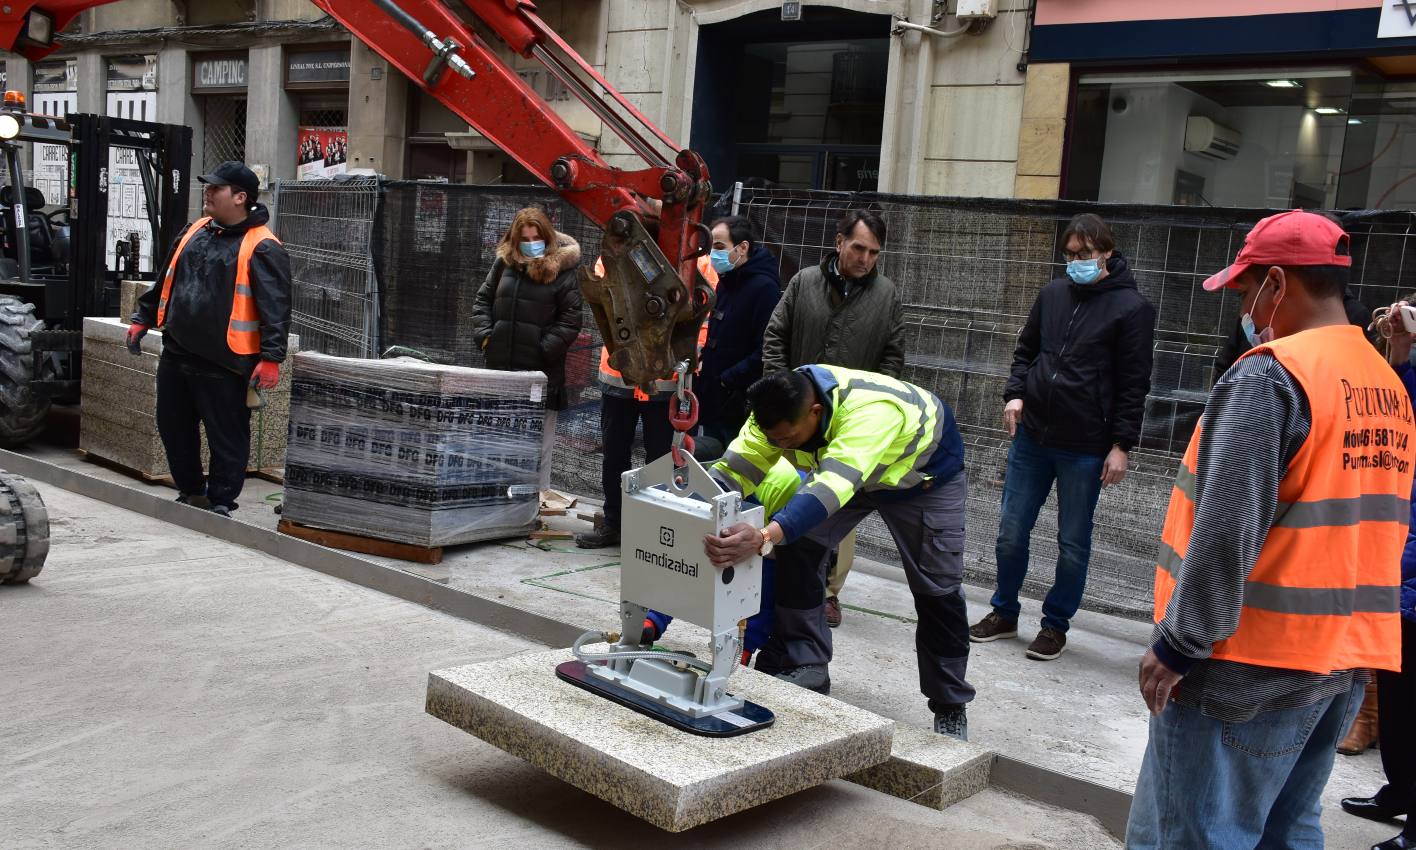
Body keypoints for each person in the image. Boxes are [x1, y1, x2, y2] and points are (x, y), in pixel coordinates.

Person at [1126, 211, 1414, 850]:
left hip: (1242, 667)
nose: (1244, 310)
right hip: (1339, 663)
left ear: (1277, 284)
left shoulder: (1270, 376)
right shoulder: (1386, 383)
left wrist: (1178, 645)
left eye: (1243, 292)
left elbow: (1226, 531)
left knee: (1190, 837)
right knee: (1287, 831)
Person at [703, 365, 974, 740]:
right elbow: (734, 470)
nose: (781, 446)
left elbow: (831, 489)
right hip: (846, 471)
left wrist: (764, 535)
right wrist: (698, 506)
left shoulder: (873, 413)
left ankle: (950, 704)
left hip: (922, 480)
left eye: (788, 439)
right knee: (797, 544)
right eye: (774, 440)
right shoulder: (776, 406)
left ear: (814, 412)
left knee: (937, 590)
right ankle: (806, 662)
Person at [969, 213, 1156, 660]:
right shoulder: (1052, 294)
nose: (1076, 262)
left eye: (1085, 254)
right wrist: (1016, 394)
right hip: (1033, 437)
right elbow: (1026, 350)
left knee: (1073, 542)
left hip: (1086, 446)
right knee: (1010, 531)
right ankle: (1004, 611)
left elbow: (1135, 382)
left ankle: (1055, 625)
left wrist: (1121, 445)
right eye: (1070, 254)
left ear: (1107, 252)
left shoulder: (1132, 308)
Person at [761, 208, 904, 627]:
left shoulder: (887, 296)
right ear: (839, 242)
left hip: (848, 424)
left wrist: (872, 413)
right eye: (858, 248)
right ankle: (782, 569)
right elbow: (776, 335)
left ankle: (828, 592)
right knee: (789, 491)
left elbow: (893, 358)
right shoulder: (804, 282)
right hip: (795, 419)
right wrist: (778, 394)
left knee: (839, 503)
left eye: (874, 253)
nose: (865, 259)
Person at [128, 161, 291, 517]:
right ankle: (191, 492)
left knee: (227, 437)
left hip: (226, 361)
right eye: (208, 186)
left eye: (216, 188)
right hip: (177, 352)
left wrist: (271, 358)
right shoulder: (195, 229)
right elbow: (166, 279)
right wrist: (142, 318)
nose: (208, 192)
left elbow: (276, 308)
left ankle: (220, 501)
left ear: (240, 197)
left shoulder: (263, 246)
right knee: (173, 428)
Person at [575, 250, 718, 549]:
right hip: (620, 373)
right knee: (615, 453)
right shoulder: (618, 251)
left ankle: (655, 530)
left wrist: (690, 355)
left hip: (666, 379)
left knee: (661, 459)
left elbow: (702, 315)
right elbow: (605, 300)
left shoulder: (696, 260)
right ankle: (615, 522)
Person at [1340, 297, 1416, 850]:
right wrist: (1402, 351)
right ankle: (1402, 791)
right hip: (1404, 551)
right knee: (1397, 690)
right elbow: (1398, 417)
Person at [470, 207, 583, 490]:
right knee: (498, 440)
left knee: (537, 447)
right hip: (500, 371)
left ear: (547, 237)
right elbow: (482, 301)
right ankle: (496, 498)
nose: (531, 243)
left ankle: (533, 505)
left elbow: (570, 322)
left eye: (536, 237)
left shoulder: (563, 273)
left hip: (541, 377)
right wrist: (487, 338)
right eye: (525, 238)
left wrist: (541, 351)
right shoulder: (504, 264)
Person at [696, 215, 781, 449]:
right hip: (715, 400)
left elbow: (766, 349)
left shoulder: (764, 289)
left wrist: (727, 380)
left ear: (743, 247)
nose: (713, 254)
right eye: (712, 246)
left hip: (739, 405)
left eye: (720, 247)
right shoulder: (728, 281)